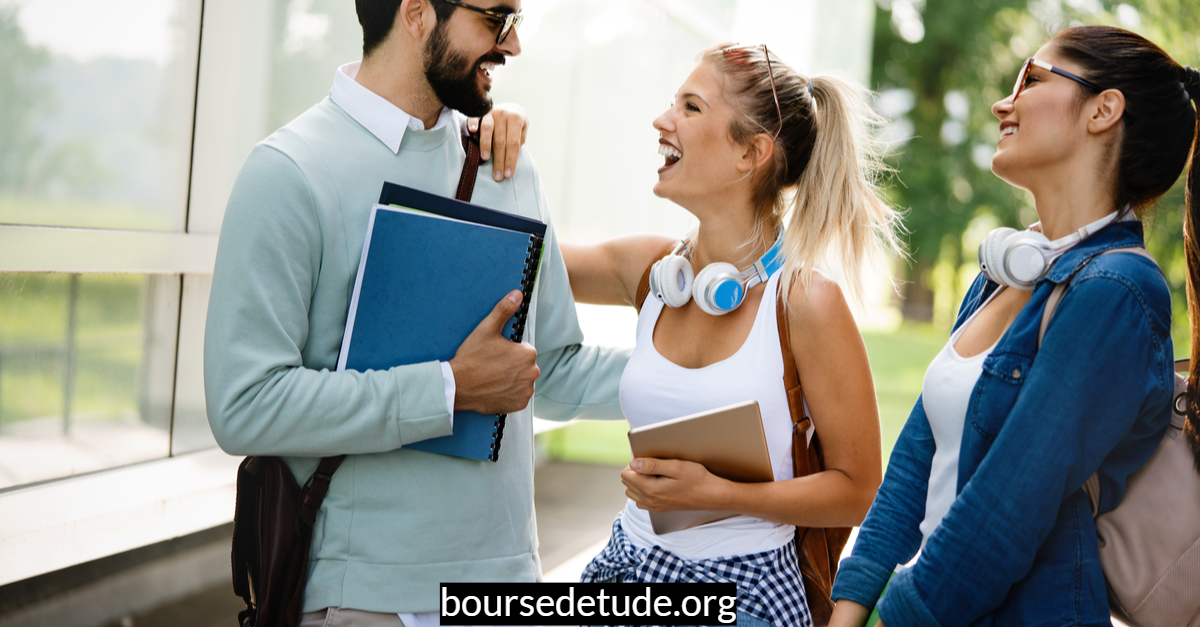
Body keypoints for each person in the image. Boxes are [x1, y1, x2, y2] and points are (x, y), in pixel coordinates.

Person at [203, 0, 629, 625]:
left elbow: (552, 370)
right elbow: (245, 405)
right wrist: (450, 388)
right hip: (366, 603)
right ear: (417, 12)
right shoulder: (287, 173)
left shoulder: (506, 164)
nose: (513, 47)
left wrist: (710, 378)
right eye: (496, 19)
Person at [828, 25, 1200, 627]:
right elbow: (912, 469)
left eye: (1031, 78)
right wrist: (849, 611)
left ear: (1103, 110)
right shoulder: (1005, 272)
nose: (1004, 102)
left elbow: (1006, 510)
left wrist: (891, 619)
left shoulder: (1118, 294)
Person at [561, 44, 902, 627]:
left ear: (751, 152)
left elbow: (858, 488)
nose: (662, 121)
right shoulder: (652, 272)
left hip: (744, 595)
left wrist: (718, 494)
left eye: (690, 108)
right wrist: (491, 134)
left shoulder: (805, 303)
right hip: (625, 571)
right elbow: (520, 254)